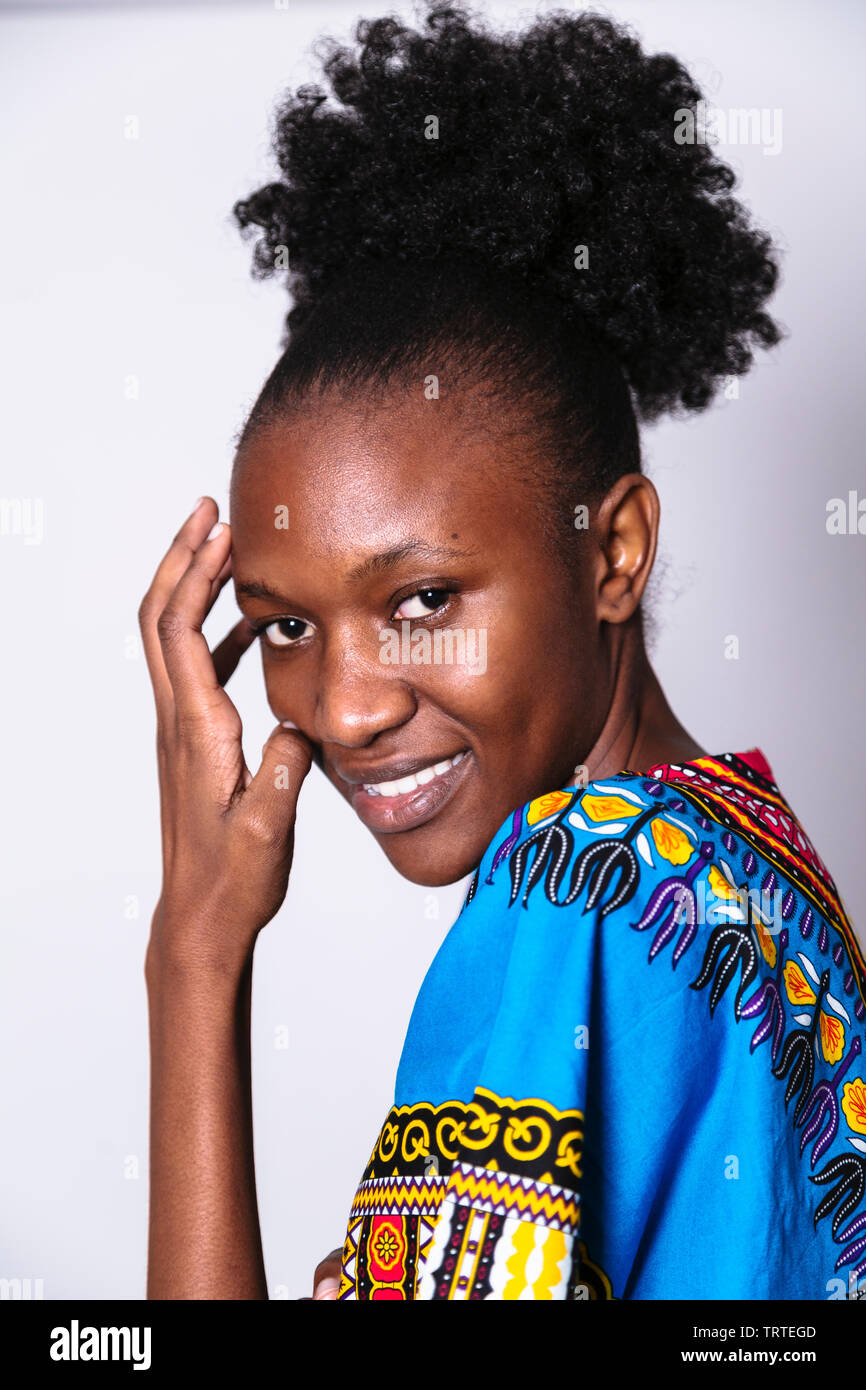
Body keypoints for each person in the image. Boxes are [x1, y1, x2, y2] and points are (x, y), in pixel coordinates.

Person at [138, 5, 865, 1300]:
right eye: (288, 624)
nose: (344, 708)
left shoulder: (564, 890)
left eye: (421, 597)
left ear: (612, 553)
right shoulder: (759, 857)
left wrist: (193, 958)